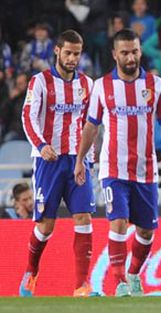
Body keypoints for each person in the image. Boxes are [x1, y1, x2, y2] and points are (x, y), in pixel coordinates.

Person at [74, 29, 161, 297]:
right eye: (125, 52)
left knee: (146, 231)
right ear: (114, 54)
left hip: (146, 170)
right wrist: (80, 159)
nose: (130, 57)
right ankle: (119, 282)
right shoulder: (101, 86)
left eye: (134, 51)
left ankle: (133, 275)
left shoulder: (156, 84)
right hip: (113, 168)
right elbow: (91, 127)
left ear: (140, 51)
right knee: (118, 221)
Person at [19, 30, 97, 297]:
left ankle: (81, 285)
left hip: (77, 161)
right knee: (46, 225)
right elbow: (28, 117)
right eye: (68, 53)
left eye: (77, 54)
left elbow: (92, 123)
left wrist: (90, 157)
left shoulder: (87, 84)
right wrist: (41, 145)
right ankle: (31, 272)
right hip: (48, 161)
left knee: (84, 217)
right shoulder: (39, 82)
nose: (73, 58)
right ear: (57, 51)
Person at [1, 73, 29, 141]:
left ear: (28, 83)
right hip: (15, 131)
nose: (18, 86)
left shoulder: (33, 98)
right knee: (8, 138)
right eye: (17, 84)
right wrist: (10, 99)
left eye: (21, 83)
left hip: (29, 132)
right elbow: (3, 115)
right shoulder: (13, 98)